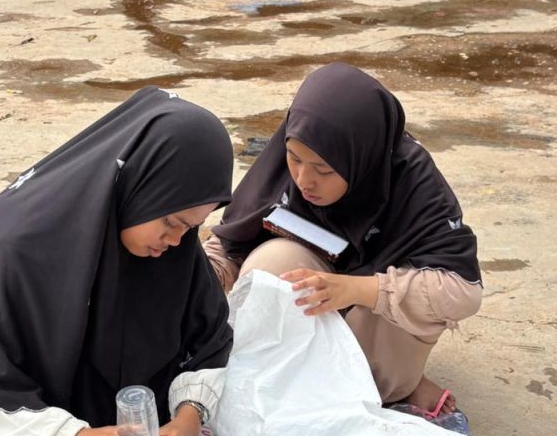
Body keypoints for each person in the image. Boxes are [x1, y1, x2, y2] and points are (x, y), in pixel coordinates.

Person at [0, 87, 234, 436]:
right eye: (171, 222)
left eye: (191, 227)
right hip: (22, 371)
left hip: (109, 379)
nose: (177, 241)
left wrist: (188, 418)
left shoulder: (170, 244)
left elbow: (208, 337)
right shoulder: (15, 243)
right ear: (141, 185)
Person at [205, 63, 481, 416]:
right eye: (294, 158)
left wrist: (355, 289)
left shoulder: (413, 183)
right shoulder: (291, 162)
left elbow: (464, 293)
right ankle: (299, 381)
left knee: (406, 316)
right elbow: (232, 241)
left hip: (374, 330)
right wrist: (205, 278)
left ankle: (398, 384)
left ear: (361, 157)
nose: (304, 180)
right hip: (320, 296)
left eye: (324, 169)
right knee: (265, 265)